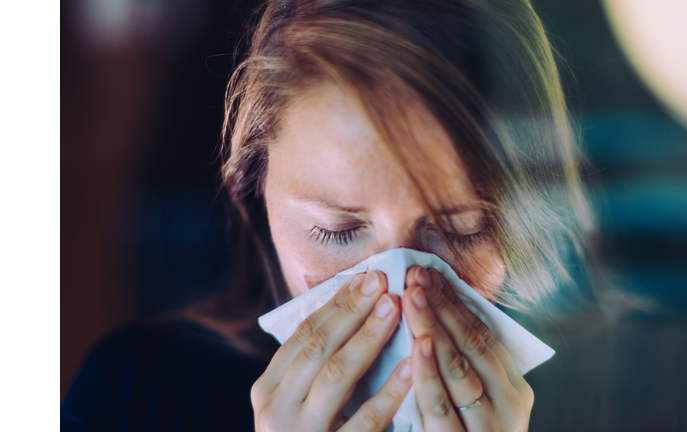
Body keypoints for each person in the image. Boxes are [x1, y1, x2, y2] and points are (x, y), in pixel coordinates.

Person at [62, 0, 597, 431]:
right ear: (254, 199)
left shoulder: (609, 404)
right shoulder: (130, 399)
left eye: (460, 231)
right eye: (337, 231)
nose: (397, 293)